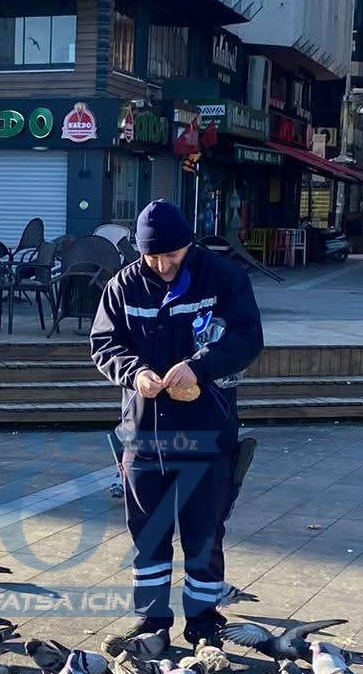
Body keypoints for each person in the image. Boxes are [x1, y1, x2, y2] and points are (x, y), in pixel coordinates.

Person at [90, 200, 264, 645]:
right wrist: (134, 373)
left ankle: (204, 622)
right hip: (145, 435)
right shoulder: (122, 286)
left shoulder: (223, 278)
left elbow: (247, 337)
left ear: (188, 245)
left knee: (204, 534)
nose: (163, 266)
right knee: (148, 535)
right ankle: (151, 621)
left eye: (172, 256)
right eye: (153, 257)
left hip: (206, 432)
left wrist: (200, 367)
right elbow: (104, 343)